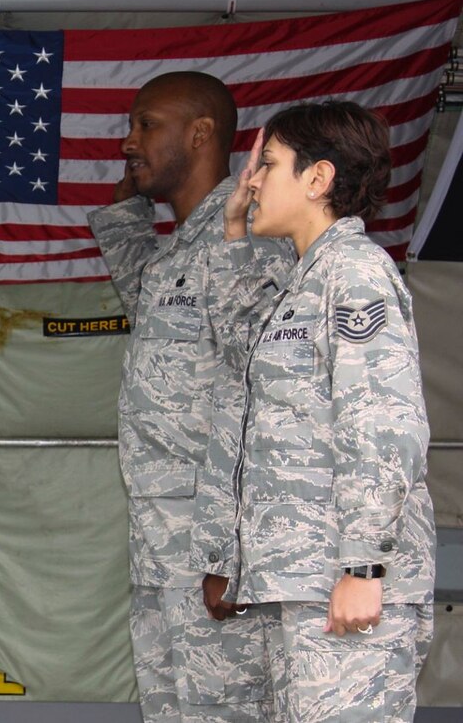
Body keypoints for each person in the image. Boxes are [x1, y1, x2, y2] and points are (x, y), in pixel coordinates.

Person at [88, 71, 293, 721]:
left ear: (202, 133)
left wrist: (235, 549)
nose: (128, 141)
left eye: (146, 124)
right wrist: (126, 219)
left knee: (224, 707)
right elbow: (156, 315)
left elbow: (271, 397)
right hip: (162, 537)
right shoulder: (189, 244)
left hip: (212, 541)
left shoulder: (250, 237)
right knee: (172, 706)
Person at [224, 101, 434, 722]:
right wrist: (235, 235)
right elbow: (238, 350)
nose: (252, 181)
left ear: (317, 180)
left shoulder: (356, 275)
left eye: (267, 164)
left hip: (342, 581)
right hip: (302, 581)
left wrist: (364, 565)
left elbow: (382, 423)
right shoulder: (305, 279)